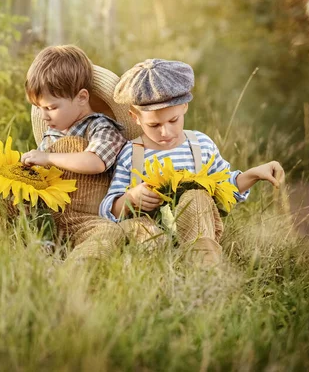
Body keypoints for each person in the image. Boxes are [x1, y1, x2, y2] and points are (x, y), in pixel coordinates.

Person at [99, 58, 285, 265]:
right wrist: (131, 197)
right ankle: (157, 268)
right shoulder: (131, 153)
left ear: (185, 107)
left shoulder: (200, 145)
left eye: (173, 120)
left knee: (196, 197)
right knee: (140, 229)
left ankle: (204, 267)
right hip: (150, 233)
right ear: (135, 117)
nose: (165, 132)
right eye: (154, 125)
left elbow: (224, 187)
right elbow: (109, 209)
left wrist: (254, 174)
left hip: (198, 228)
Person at [0, 45, 142, 262]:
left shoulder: (102, 127)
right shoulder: (51, 134)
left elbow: (96, 161)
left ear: (81, 97)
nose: (44, 116)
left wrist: (48, 157)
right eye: (39, 108)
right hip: (43, 212)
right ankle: (1, 258)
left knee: (108, 234)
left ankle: (76, 272)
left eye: (51, 108)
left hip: (84, 218)